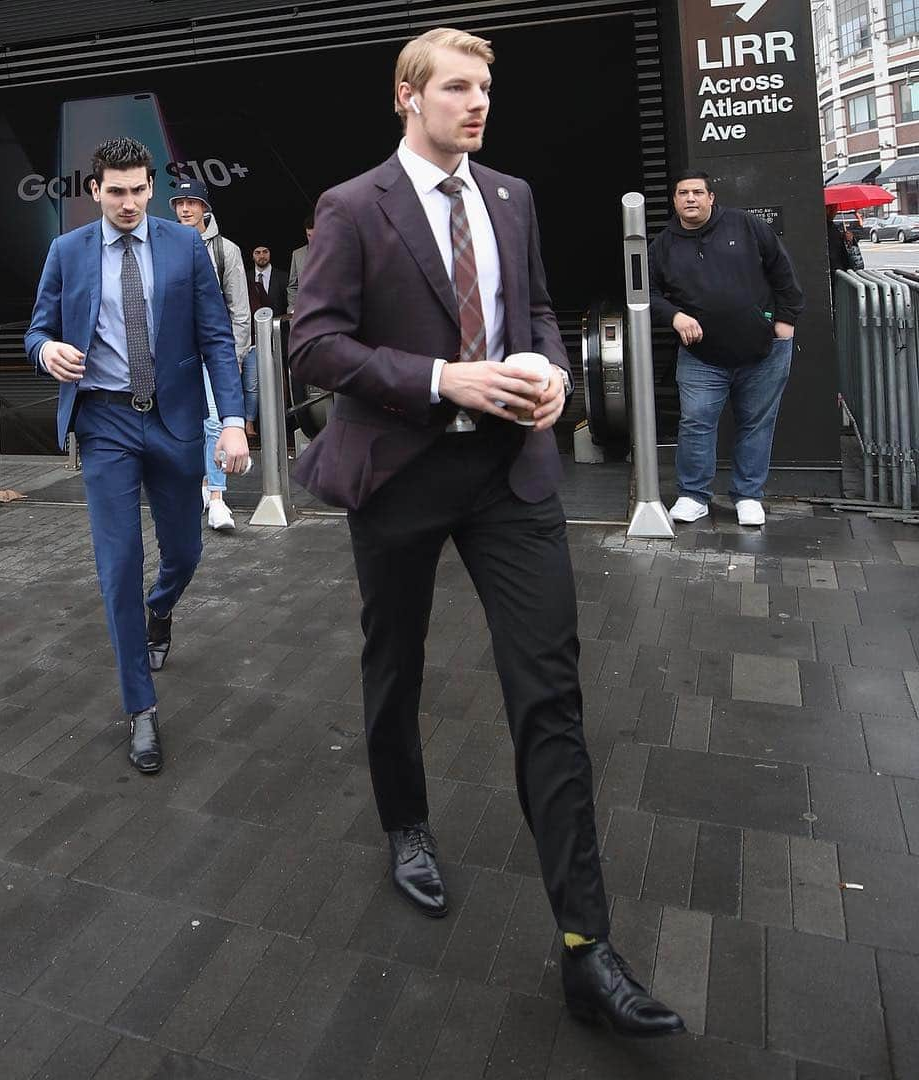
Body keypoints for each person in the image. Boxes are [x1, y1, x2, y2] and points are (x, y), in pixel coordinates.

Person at [289, 26, 684, 1038]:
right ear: (407, 97)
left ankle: (587, 949)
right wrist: (438, 379)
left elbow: (539, 310)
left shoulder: (510, 196)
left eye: (486, 88)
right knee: (396, 666)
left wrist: (549, 370)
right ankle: (406, 824)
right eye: (458, 87)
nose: (478, 104)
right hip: (402, 475)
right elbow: (316, 345)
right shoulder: (352, 207)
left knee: (548, 693)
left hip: (512, 474)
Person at [25, 137, 249, 775]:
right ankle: (140, 708)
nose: (128, 202)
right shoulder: (67, 252)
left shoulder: (184, 245)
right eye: (115, 191)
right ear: (94, 191)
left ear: (152, 187)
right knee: (117, 564)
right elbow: (36, 329)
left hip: (176, 420)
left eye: (138, 189)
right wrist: (46, 353)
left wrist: (232, 421)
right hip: (105, 423)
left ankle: (161, 609)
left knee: (185, 551)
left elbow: (212, 333)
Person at [649, 171, 804, 527]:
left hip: (764, 350)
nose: (691, 198)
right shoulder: (663, 246)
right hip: (702, 356)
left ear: (711, 197)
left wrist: (786, 320)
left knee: (756, 424)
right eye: (683, 193)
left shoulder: (745, 226)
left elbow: (782, 270)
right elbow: (648, 295)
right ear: (674, 200)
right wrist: (674, 316)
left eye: (698, 192)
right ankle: (693, 495)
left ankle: (748, 496)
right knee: (696, 423)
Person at [170, 175, 251, 531]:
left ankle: (217, 497)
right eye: (180, 204)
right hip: (177, 354)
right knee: (186, 424)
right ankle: (202, 486)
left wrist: (231, 359)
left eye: (192, 203)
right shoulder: (167, 246)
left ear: (205, 208)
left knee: (217, 421)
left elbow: (241, 310)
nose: (185, 209)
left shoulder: (225, 250)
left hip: (214, 354)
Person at [286, 212, 314, 314]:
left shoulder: (335, 253)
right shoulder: (298, 254)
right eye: (309, 235)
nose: (312, 240)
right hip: (305, 314)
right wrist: (292, 309)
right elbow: (293, 286)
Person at [248, 245, 288, 316]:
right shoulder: (246, 277)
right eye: (257, 253)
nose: (262, 256)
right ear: (252, 256)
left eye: (265, 252)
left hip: (278, 324)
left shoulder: (284, 277)